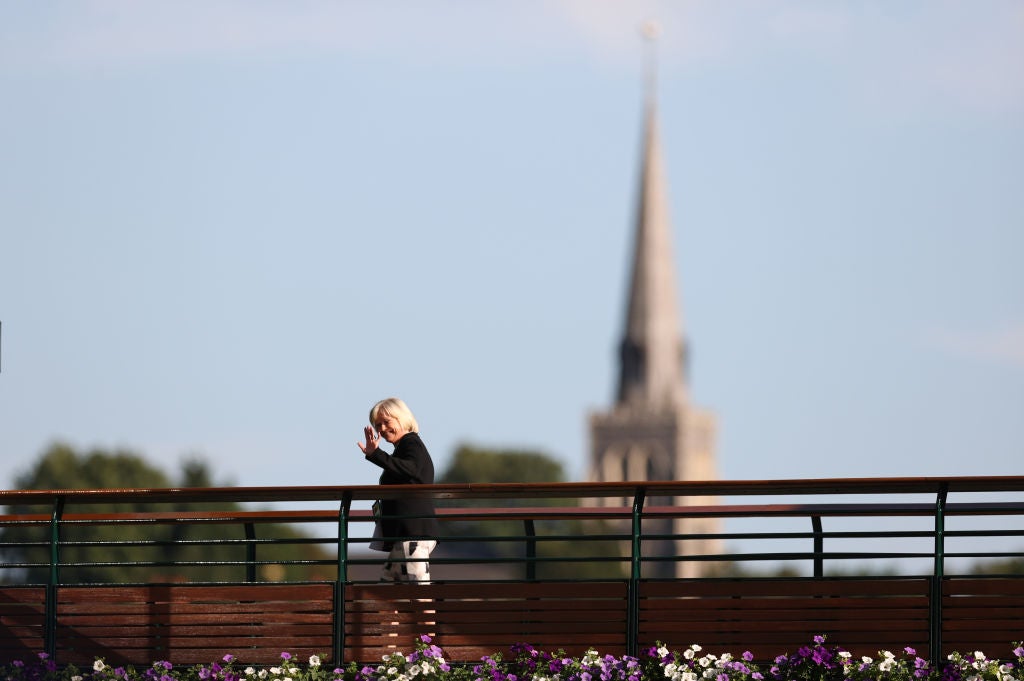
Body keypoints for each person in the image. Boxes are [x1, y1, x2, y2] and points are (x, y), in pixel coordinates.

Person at [357, 397, 439, 583]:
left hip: (413, 533)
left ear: (402, 418)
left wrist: (375, 455)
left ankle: (427, 613)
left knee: (419, 588)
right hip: (406, 534)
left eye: (387, 422)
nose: (382, 429)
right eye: (378, 425)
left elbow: (410, 468)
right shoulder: (403, 447)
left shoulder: (411, 443)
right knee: (388, 586)